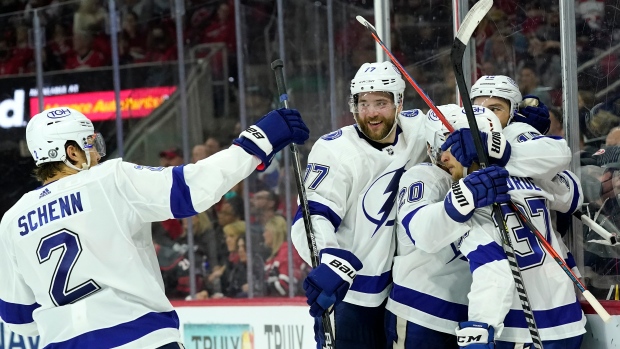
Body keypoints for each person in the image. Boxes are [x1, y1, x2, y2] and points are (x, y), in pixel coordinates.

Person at [0, 106, 308, 348]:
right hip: (142, 339)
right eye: (90, 143)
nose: (96, 151)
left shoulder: (12, 221)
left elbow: (18, 319)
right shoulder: (110, 179)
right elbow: (192, 189)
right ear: (71, 152)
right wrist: (256, 142)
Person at [388, 104, 585, 348]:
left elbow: (494, 267)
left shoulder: (486, 190)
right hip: (564, 316)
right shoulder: (517, 174)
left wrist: (481, 328)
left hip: (512, 322)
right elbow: (571, 194)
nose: (443, 156)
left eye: (454, 147)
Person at [291, 61, 429, 349]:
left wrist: (518, 125)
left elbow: (463, 127)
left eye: (380, 102)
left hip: (399, 295)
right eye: (363, 104)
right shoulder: (335, 150)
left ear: (399, 102)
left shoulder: (419, 129)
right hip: (348, 295)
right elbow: (312, 216)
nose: (371, 113)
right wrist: (327, 258)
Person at [263, 216, 305, 296]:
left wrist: (263, 288)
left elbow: (285, 286)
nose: (263, 234)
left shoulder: (287, 252)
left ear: (274, 232)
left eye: (266, 231)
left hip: (288, 305)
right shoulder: (274, 255)